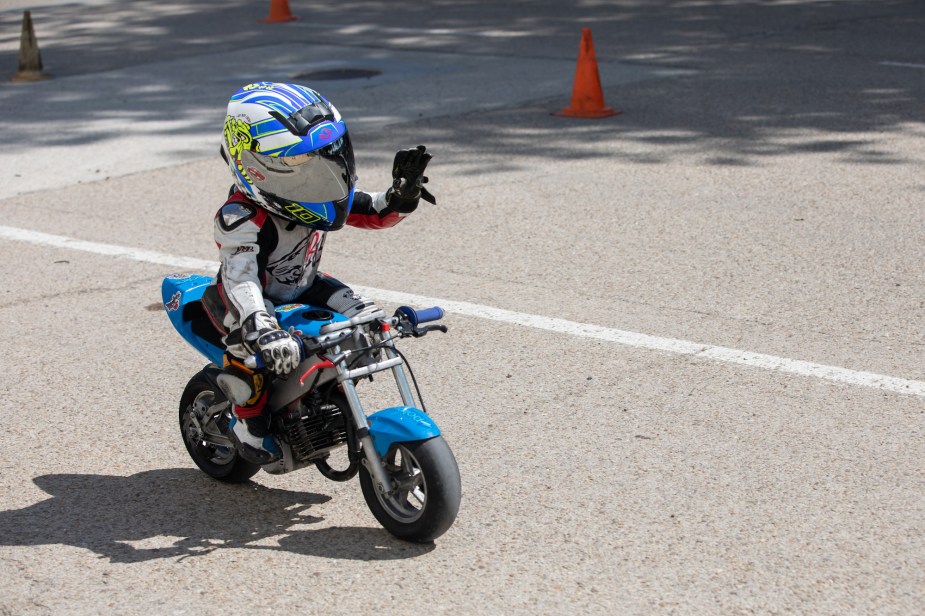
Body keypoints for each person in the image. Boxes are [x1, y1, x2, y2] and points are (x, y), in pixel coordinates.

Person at [200, 82, 435, 464]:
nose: (320, 177)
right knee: (250, 357)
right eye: (297, 166)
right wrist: (263, 326)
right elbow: (240, 279)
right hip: (250, 303)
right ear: (254, 168)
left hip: (305, 286)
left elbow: (372, 210)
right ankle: (247, 427)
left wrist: (401, 197)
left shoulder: (316, 194)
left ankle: (323, 396)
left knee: (370, 322)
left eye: (323, 160)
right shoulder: (240, 217)